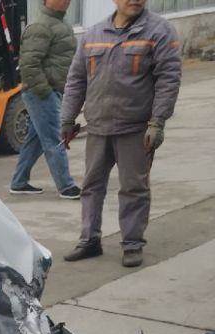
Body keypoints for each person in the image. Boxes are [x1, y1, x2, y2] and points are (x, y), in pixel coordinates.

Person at [60, 0, 182, 267]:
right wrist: (67, 119)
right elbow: (76, 80)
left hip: (135, 128)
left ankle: (132, 244)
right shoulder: (93, 34)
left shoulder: (159, 31)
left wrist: (157, 122)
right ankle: (89, 240)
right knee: (91, 186)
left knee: (133, 188)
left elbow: (168, 79)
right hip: (98, 127)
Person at [9, 0, 81, 199]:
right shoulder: (40, 26)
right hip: (41, 93)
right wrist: (45, 92)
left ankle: (18, 182)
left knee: (35, 140)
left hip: (54, 91)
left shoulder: (61, 23)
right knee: (55, 138)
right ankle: (66, 186)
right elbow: (29, 64)